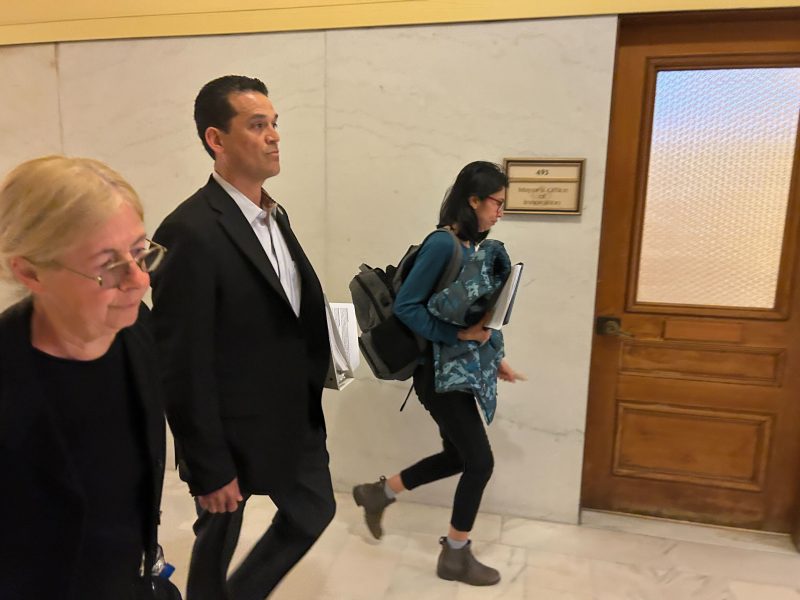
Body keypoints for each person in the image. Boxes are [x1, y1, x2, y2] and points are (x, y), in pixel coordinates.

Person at [151, 75, 335, 600]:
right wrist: (209, 468)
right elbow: (180, 361)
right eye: (257, 125)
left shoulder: (275, 217)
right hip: (226, 433)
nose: (274, 135)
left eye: (274, 123)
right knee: (216, 539)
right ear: (217, 139)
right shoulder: (187, 229)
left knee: (315, 508)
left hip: (290, 417)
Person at [0, 156, 170, 599]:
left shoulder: (135, 331)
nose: (139, 280)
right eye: (108, 264)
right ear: (30, 271)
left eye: (139, 252)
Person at [353, 161, 522, 587]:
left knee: (459, 456)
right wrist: (457, 333)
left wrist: (490, 353)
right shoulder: (443, 246)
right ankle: (456, 554)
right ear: (473, 200)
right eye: (496, 203)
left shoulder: (469, 247)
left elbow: (475, 316)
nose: (500, 212)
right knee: (479, 461)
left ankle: (380, 492)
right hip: (434, 374)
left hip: (455, 370)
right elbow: (409, 307)